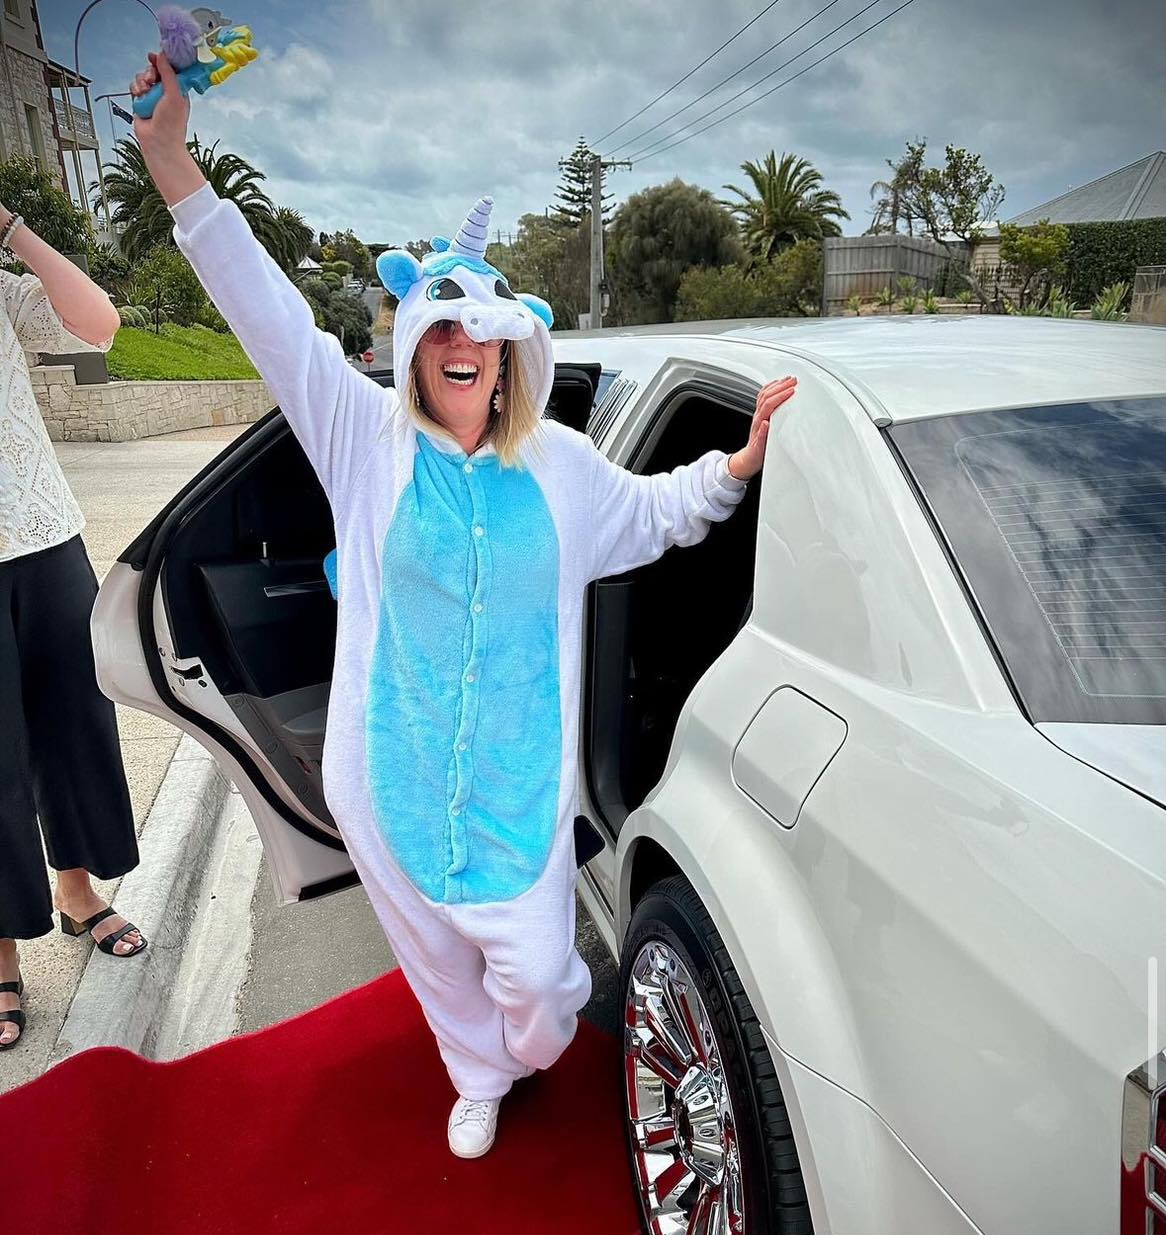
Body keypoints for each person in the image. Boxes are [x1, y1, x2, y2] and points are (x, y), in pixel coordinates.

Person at [131, 50, 796, 1157]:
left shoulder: (564, 468)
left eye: (479, 334)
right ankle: (474, 1071)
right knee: (438, 965)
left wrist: (736, 466)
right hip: (389, 777)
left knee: (541, 981)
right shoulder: (364, 442)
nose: (460, 346)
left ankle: (523, 1045)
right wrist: (172, 166)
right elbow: (270, 318)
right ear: (410, 348)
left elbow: (654, 513)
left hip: (517, 787)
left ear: (507, 354)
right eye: (438, 330)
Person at [0, 200, 149, 1050]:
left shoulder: (2, 291)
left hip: (44, 533)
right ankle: (0, 949)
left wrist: (11, 229)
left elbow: (99, 324)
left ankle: (77, 890)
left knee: (75, 725)